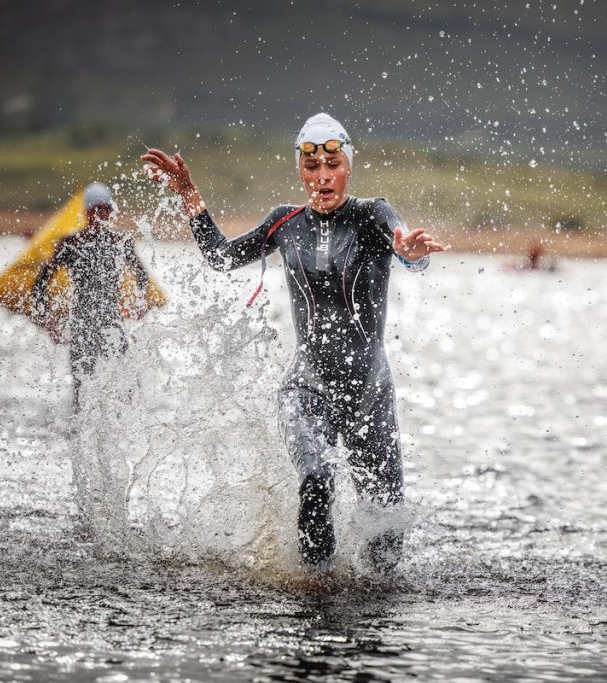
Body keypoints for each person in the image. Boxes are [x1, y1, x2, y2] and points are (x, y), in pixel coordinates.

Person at [141, 113, 444, 572]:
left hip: (370, 394)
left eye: (333, 165)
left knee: (386, 544)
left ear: (348, 166)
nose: (322, 177)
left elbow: (403, 245)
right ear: (300, 171)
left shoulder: (372, 215)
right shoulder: (283, 222)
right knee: (316, 479)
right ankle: (314, 587)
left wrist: (412, 256)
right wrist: (188, 193)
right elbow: (221, 258)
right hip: (307, 389)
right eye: (311, 168)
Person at [31, 182, 150, 410]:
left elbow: (142, 277)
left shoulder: (121, 242)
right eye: (98, 209)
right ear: (87, 212)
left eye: (107, 209)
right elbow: (40, 285)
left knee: (124, 387)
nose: (103, 215)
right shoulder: (70, 244)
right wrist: (48, 322)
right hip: (82, 324)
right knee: (81, 391)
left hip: (112, 321)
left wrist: (139, 303)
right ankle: (79, 438)